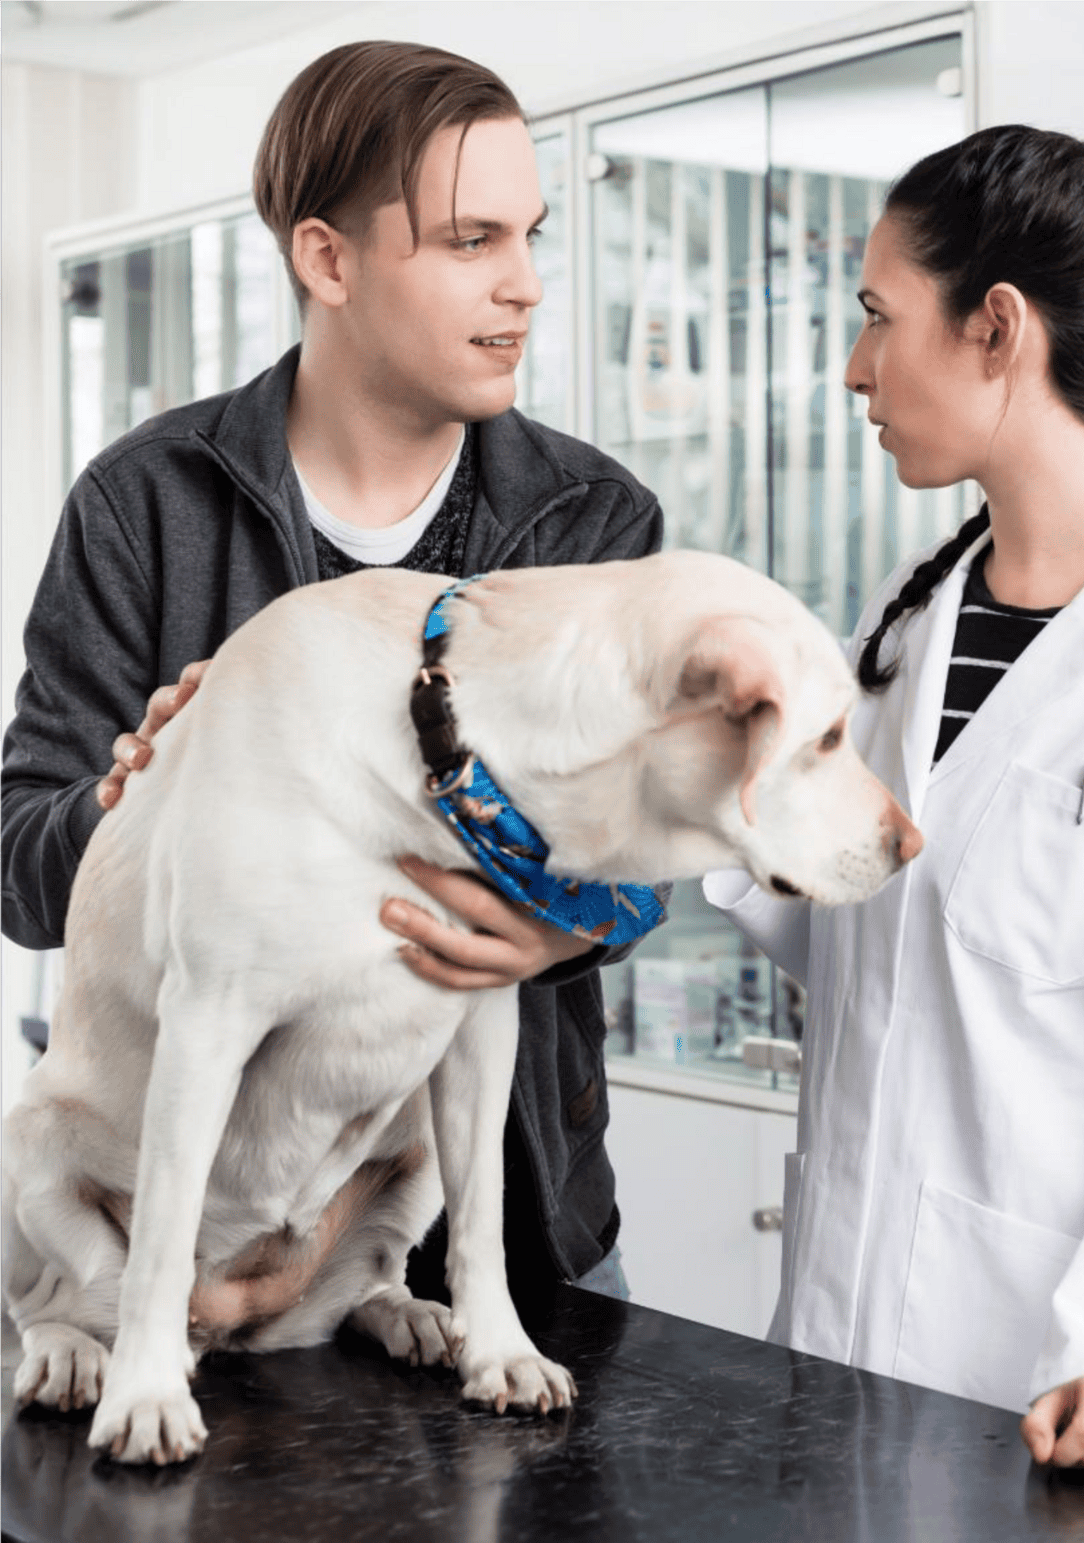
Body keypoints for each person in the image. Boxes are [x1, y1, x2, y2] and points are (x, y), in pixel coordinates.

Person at [0, 41, 665, 1315]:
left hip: (518, 1240)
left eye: (533, 235)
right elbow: (20, 867)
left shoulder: (589, 522)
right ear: (327, 257)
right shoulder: (147, 506)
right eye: (473, 239)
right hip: (183, 1259)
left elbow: (637, 872)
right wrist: (124, 811)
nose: (526, 286)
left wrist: (561, 920)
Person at [705, 124, 1084, 1468]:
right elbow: (891, 951)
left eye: (878, 316)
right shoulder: (910, 617)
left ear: (997, 328)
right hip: (844, 1331)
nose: (856, 366)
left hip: (1059, 1374)